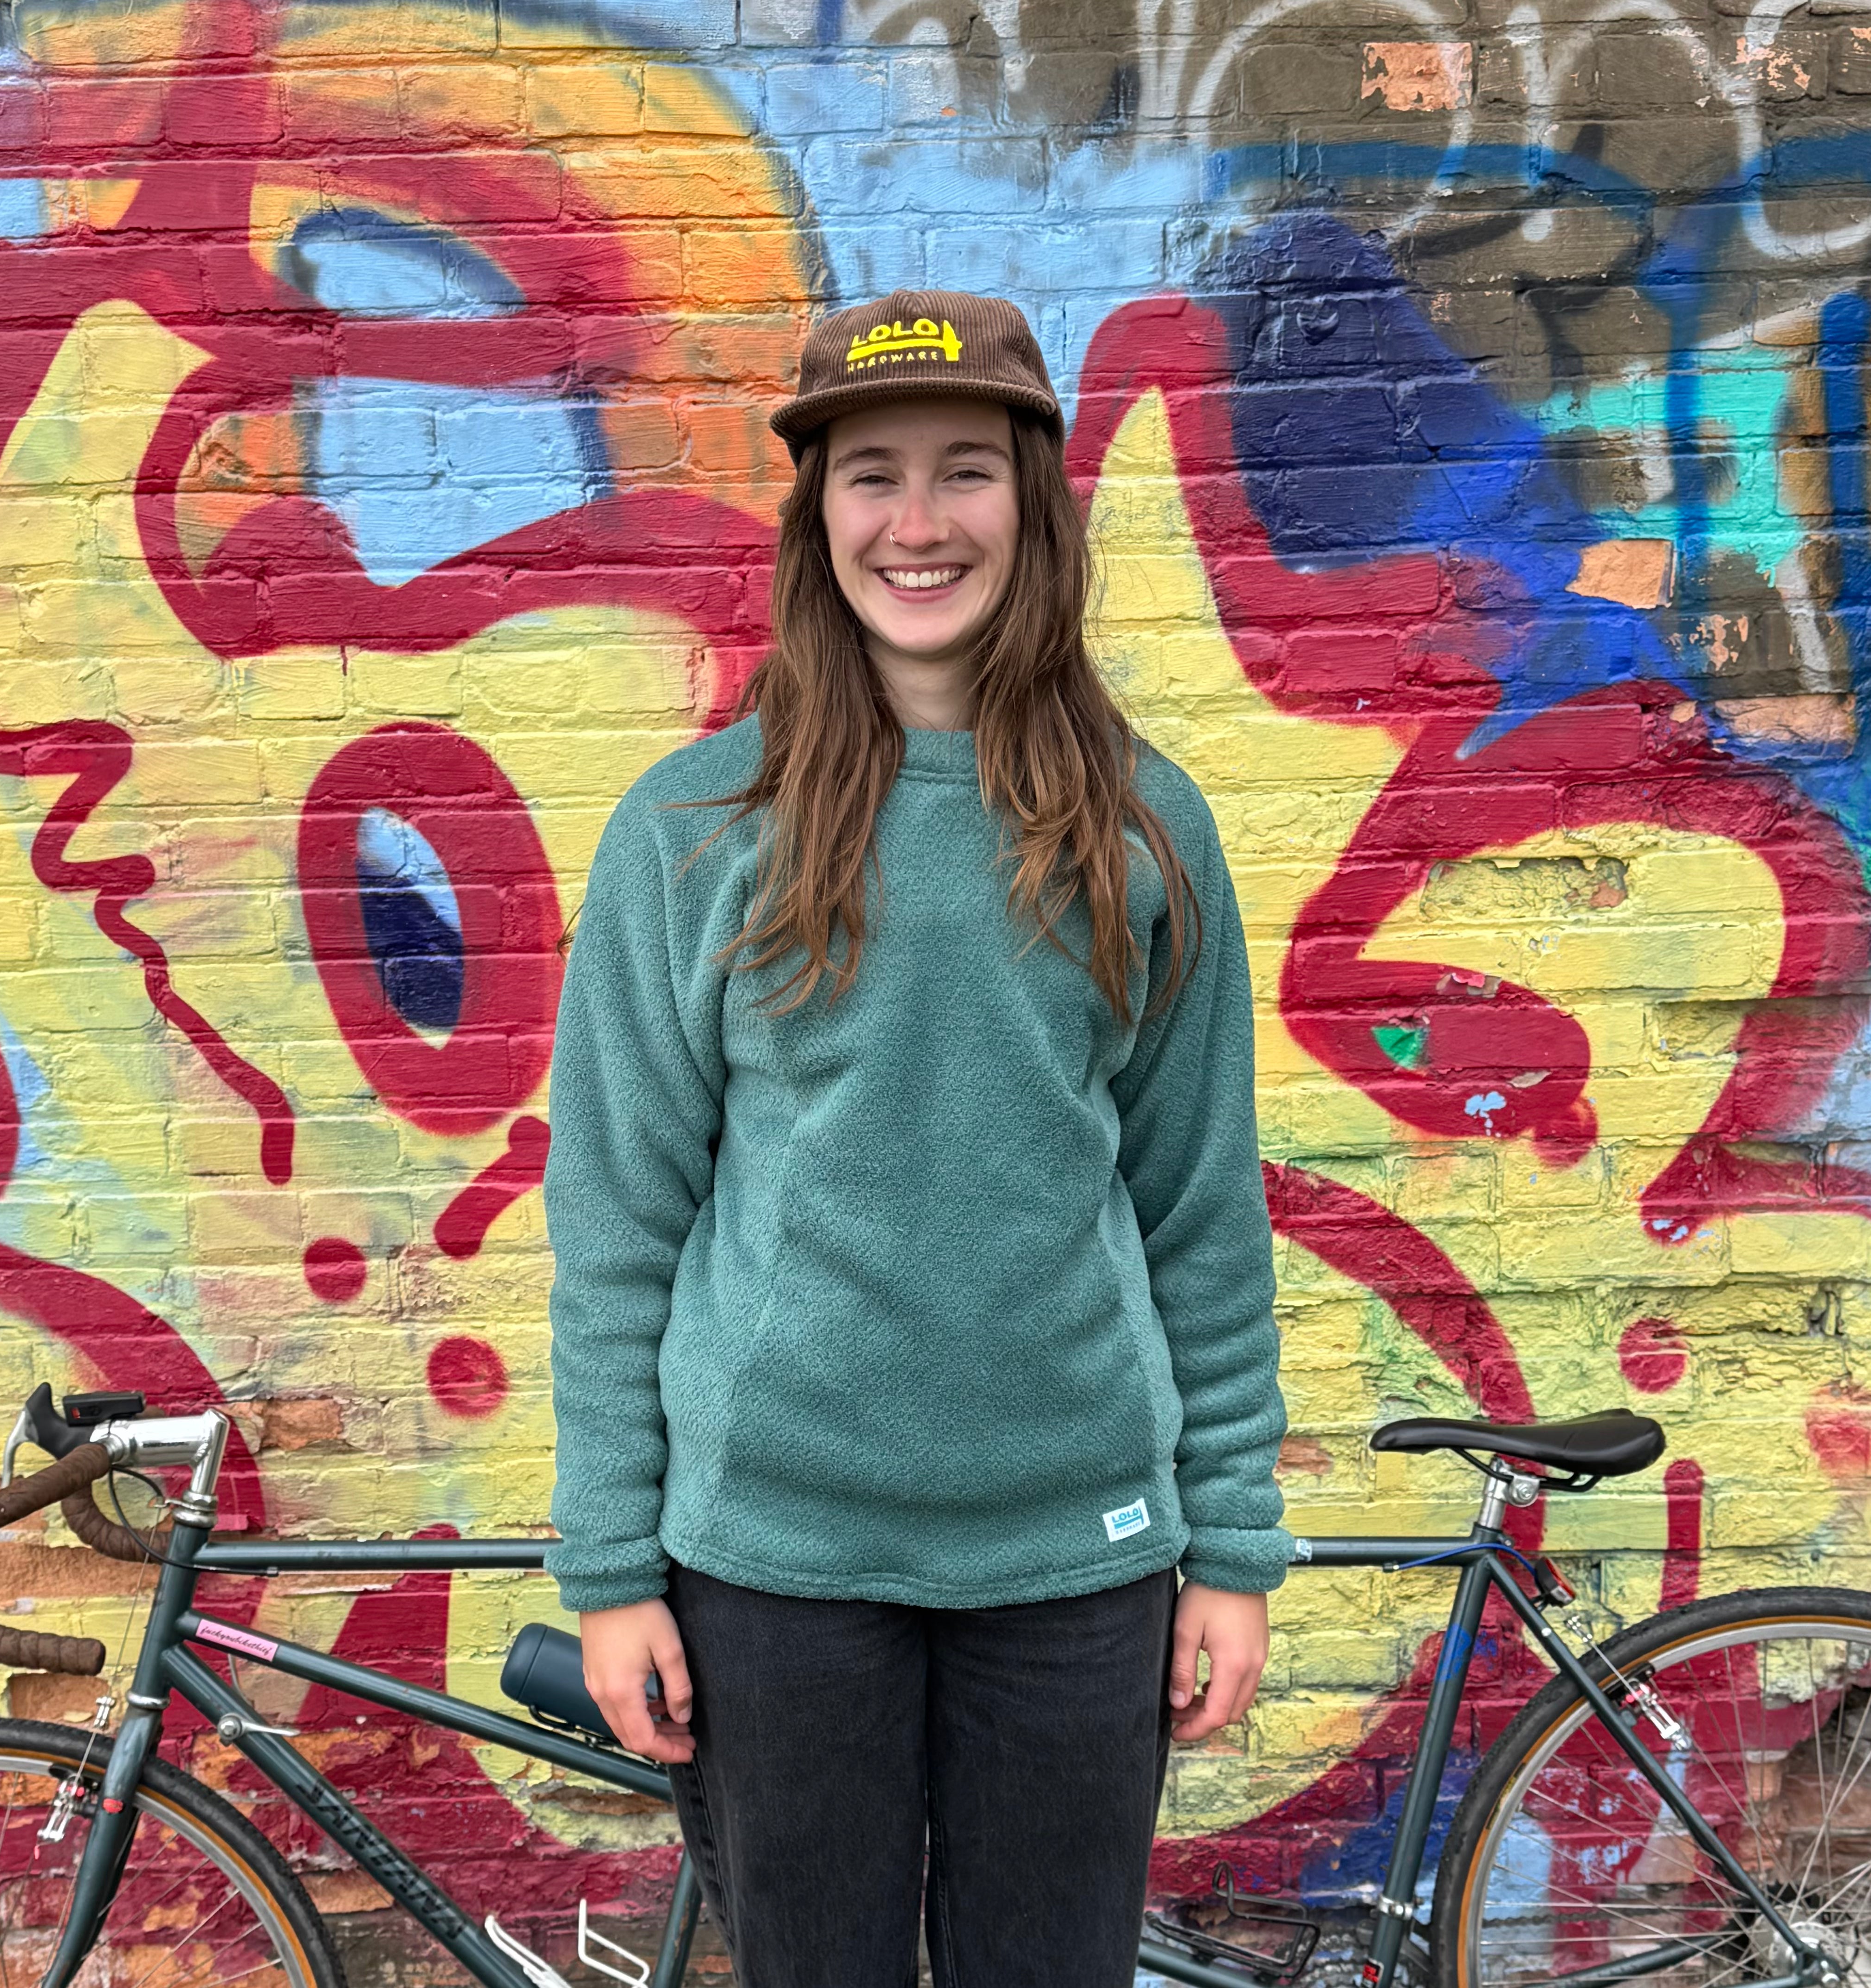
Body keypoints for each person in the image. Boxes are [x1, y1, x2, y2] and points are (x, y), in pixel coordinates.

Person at [543, 288, 1290, 1988]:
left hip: (1080, 1558)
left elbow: (1197, 1212)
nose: (918, 520)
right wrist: (611, 1565)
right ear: (818, 515)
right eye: (870, 474)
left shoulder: (1144, 826)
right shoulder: (691, 830)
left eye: (965, 469)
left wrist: (1232, 1544)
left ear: (1032, 502)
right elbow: (618, 1227)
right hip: (776, 1566)